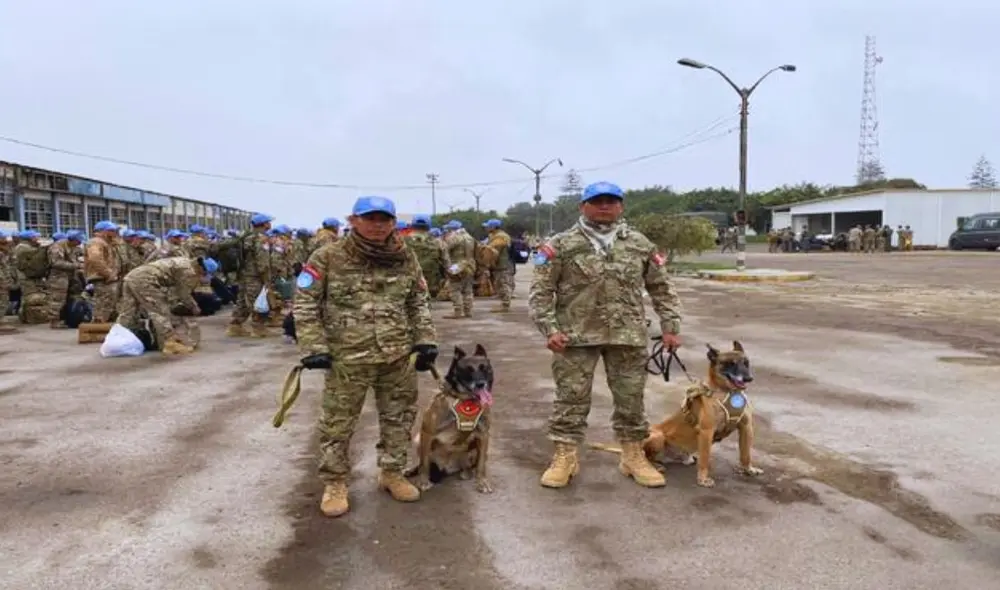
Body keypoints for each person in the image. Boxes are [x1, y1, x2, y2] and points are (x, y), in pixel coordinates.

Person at [528, 181, 683, 490]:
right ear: (582, 206)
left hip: (627, 335)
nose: (604, 206)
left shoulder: (640, 244)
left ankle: (633, 455)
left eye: (611, 201)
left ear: (621, 206)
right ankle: (565, 456)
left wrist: (670, 325)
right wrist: (550, 328)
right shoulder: (560, 245)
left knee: (631, 399)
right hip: (575, 336)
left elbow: (661, 288)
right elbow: (541, 292)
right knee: (570, 399)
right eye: (597, 201)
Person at [293, 195, 438, 518]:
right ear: (353, 220)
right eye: (369, 218)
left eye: (384, 219)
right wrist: (314, 347)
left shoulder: (405, 256)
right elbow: (305, 304)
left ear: (392, 223)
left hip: (397, 355)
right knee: (338, 424)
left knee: (398, 417)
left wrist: (425, 340)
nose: (377, 225)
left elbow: (417, 301)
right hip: (347, 357)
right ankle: (335, 482)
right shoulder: (327, 256)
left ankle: (392, 472)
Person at [116, 256, 220, 355]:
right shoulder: (189, 271)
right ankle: (169, 343)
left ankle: (117, 340)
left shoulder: (186, 262)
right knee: (160, 311)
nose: (203, 275)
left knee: (128, 312)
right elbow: (183, 293)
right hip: (146, 280)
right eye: (205, 273)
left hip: (132, 276)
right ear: (202, 268)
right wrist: (194, 306)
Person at [221, 213, 274, 338]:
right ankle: (258, 329)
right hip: (255, 275)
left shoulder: (246, 236)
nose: (270, 224)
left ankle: (235, 326)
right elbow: (262, 261)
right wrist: (266, 278)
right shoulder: (261, 238)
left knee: (242, 301)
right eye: (268, 222)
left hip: (243, 274)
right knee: (258, 300)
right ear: (265, 224)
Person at [47, 229, 84, 329]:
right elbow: (56, 263)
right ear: (72, 240)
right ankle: (54, 321)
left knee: (70, 298)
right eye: (78, 241)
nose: (79, 243)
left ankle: (65, 318)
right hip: (58, 277)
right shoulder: (57, 247)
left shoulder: (73, 247)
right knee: (57, 299)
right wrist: (76, 265)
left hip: (70, 276)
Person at [403, 214, 446, 299]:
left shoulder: (402, 240)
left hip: (408, 280)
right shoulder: (438, 242)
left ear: (412, 225)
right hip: (431, 282)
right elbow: (446, 262)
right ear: (429, 226)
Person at [441, 219, 477, 318]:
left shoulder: (455, 237)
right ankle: (468, 311)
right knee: (468, 289)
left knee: (455, 289)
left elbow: (445, 249)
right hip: (470, 265)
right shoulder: (469, 237)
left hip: (457, 266)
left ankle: (457, 311)